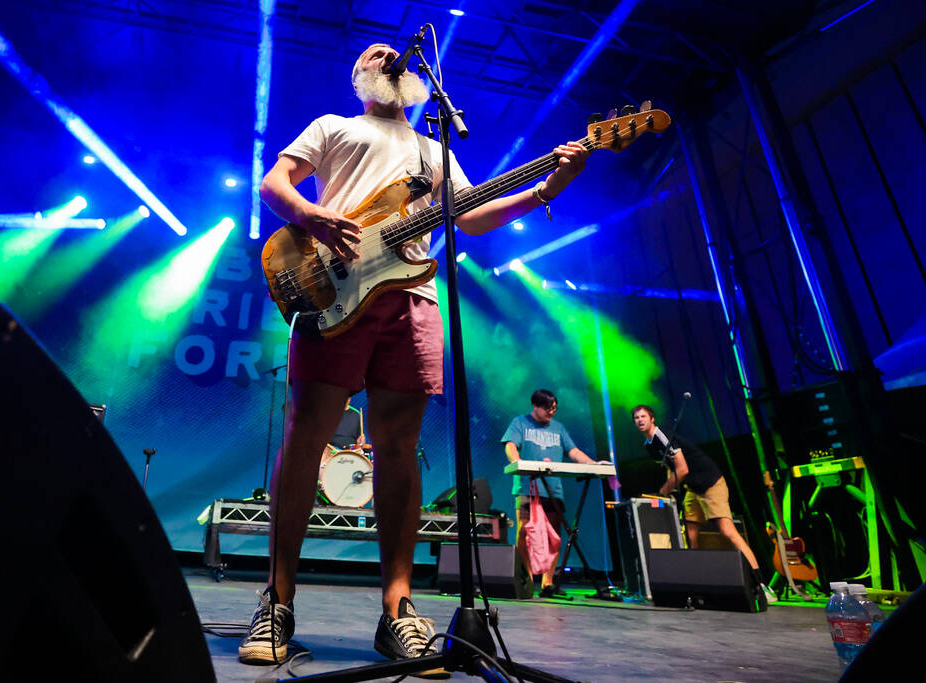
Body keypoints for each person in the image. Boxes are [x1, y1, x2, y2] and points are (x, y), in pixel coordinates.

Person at [240, 42, 589, 673]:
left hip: (412, 297)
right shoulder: (335, 127)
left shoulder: (435, 150)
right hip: (334, 290)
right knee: (305, 438)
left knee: (399, 449)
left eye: (393, 52)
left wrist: (547, 188)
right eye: (374, 52)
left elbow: (473, 217)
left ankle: (397, 611)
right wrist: (315, 218)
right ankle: (278, 600)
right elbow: (274, 184)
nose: (386, 51)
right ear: (361, 77)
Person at [631, 404, 777, 604]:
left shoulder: (663, 436)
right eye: (636, 418)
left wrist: (662, 492)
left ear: (652, 418)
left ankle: (761, 584)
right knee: (690, 535)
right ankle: (697, 582)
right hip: (693, 488)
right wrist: (669, 494)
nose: (640, 420)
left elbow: (682, 469)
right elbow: (670, 467)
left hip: (710, 482)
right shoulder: (648, 445)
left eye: (643, 416)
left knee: (727, 531)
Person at [501, 389, 595, 598]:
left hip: (553, 490)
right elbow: (510, 446)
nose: (552, 412)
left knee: (553, 536)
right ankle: (526, 580)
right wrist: (518, 462)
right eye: (548, 408)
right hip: (527, 489)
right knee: (525, 532)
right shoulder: (520, 423)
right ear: (535, 406)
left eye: (554, 408)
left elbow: (573, 452)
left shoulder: (558, 428)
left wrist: (595, 465)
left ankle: (548, 583)